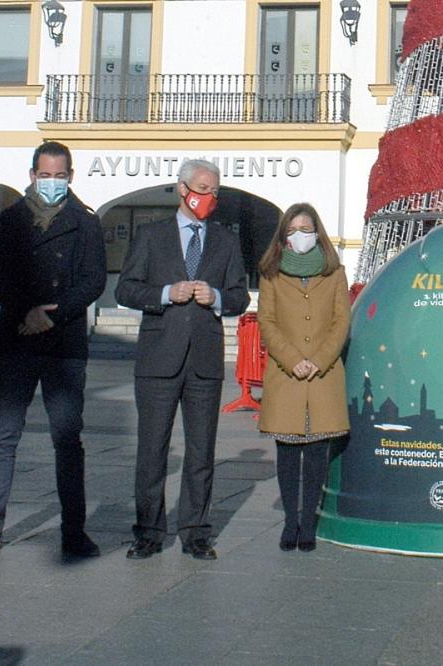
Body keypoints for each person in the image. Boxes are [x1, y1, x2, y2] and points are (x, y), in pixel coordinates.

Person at [0, 141, 106, 557]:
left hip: (63, 346)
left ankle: (74, 533)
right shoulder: (10, 220)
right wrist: (26, 310)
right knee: (2, 437)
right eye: (44, 175)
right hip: (16, 341)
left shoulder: (86, 222)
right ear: (31, 175)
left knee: (67, 439)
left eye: (58, 176)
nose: (51, 183)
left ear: (70, 177)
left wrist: (53, 313)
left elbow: (93, 279)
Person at [116, 159, 249, 560]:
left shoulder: (225, 240)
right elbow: (125, 289)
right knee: (152, 450)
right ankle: (149, 532)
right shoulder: (152, 236)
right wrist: (163, 294)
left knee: (201, 451)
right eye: (202, 189)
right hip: (158, 359)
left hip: (204, 362)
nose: (208, 198)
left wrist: (219, 299)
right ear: (182, 188)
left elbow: (240, 296)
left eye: (214, 192)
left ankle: (195, 532)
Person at [256, 203, 350, 552]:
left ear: (317, 232)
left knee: (316, 452)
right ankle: (289, 523)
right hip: (286, 374)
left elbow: (342, 320)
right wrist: (293, 359)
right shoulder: (271, 274)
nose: (300, 235)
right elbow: (267, 321)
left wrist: (320, 359)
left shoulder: (334, 273)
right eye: (293, 230)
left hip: (323, 375)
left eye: (306, 229)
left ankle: (308, 521)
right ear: (284, 236)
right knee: (287, 450)